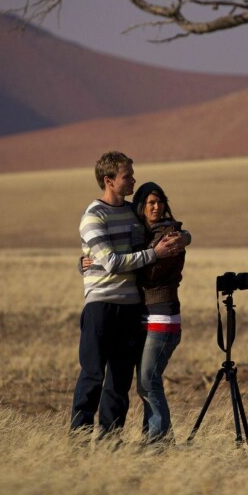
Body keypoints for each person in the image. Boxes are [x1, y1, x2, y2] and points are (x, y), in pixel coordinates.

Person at [71, 151, 186, 441]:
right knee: (93, 375)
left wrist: (183, 238)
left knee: (120, 381)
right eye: (127, 176)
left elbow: (160, 229)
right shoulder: (92, 217)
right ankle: (79, 440)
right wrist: (154, 254)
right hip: (101, 306)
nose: (133, 180)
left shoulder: (132, 214)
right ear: (109, 180)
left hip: (132, 309)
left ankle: (110, 441)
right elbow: (111, 262)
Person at [131, 181, 189, 444]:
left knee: (148, 381)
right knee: (146, 383)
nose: (156, 207)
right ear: (141, 207)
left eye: (159, 202)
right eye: (150, 203)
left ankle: (159, 443)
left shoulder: (171, 235)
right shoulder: (144, 235)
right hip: (146, 317)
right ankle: (152, 440)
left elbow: (152, 274)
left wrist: (133, 260)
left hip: (162, 317)